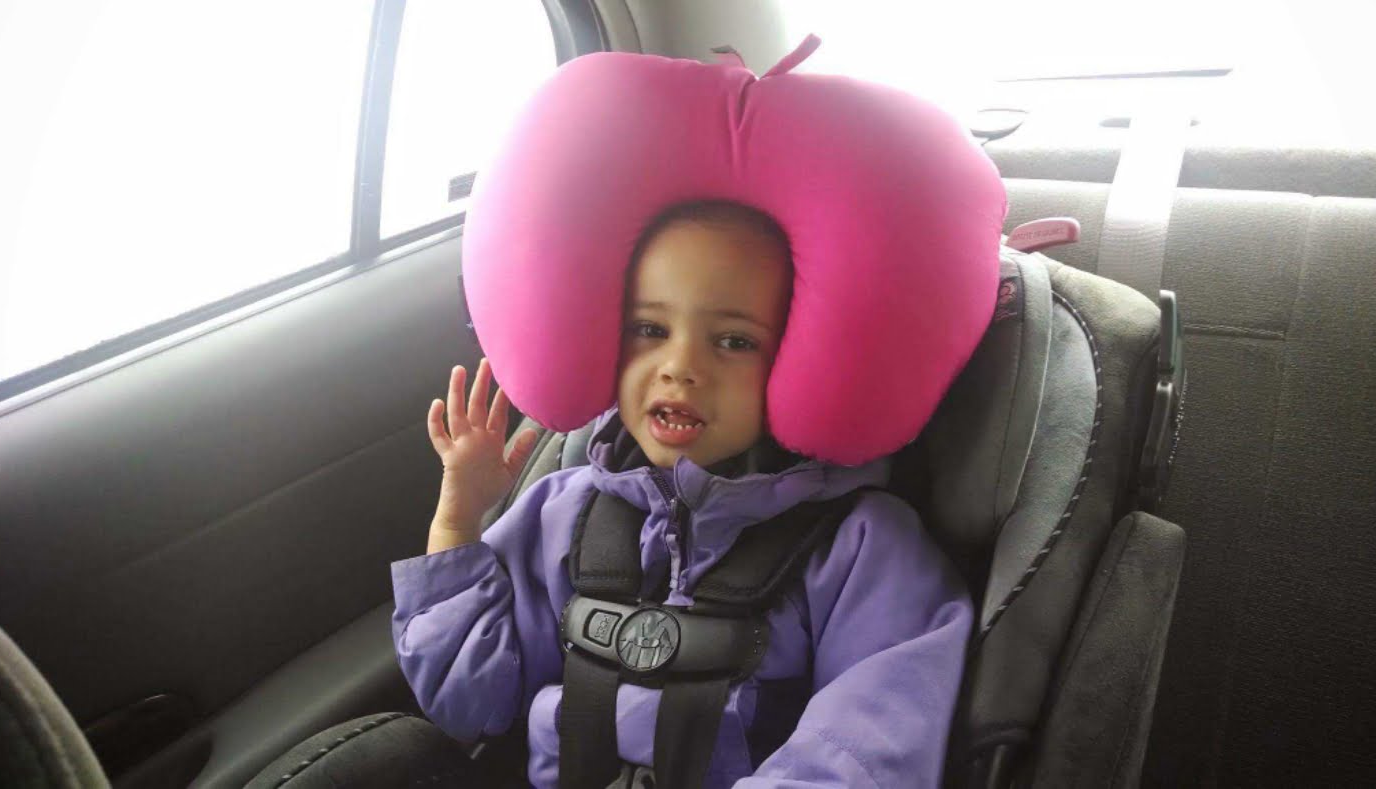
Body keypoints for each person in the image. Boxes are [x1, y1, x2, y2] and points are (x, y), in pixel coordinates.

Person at [391, 199, 975, 788]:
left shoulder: (862, 546)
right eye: (650, 330)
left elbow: (865, 752)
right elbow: (474, 705)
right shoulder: (561, 513)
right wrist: (457, 521)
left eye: (735, 341)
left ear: (801, 361)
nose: (681, 365)